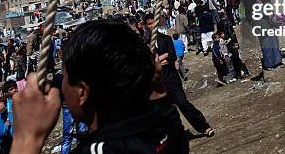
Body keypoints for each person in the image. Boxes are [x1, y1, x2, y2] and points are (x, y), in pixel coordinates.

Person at [11, 20, 185, 153]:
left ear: (81, 92)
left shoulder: (102, 149)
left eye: (64, 77)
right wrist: (157, 85)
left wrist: (26, 140)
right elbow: (171, 120)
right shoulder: (164, 129)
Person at [146, 17, 215, 138]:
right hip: (159, 84)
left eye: (153, 23)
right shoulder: (146, 44)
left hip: (172, 80)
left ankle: (204, 127)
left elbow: (172, 56)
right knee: (166, 112)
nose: (152, 26)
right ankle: (175, 134)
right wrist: (162, 58)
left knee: (183, 104)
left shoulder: (166, 39)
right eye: (149, 24)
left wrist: (158, 60)